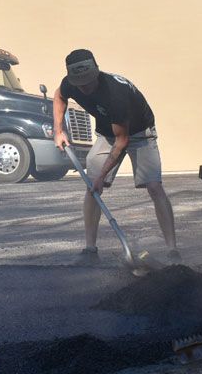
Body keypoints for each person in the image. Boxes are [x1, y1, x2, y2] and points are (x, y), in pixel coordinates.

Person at [52, 49, 178, 261]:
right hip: (107, 133)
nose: (85, 87)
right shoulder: (70, 83)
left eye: (88, 81)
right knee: (92, 187)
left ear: (97, 72)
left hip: (139, 133)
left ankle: (172, 249)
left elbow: (122, 141)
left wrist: (102, 177)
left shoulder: (115, 94)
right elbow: (59, 96)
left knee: (154, 186)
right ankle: (90, 250)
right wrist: (58, 130)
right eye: (80, 83)